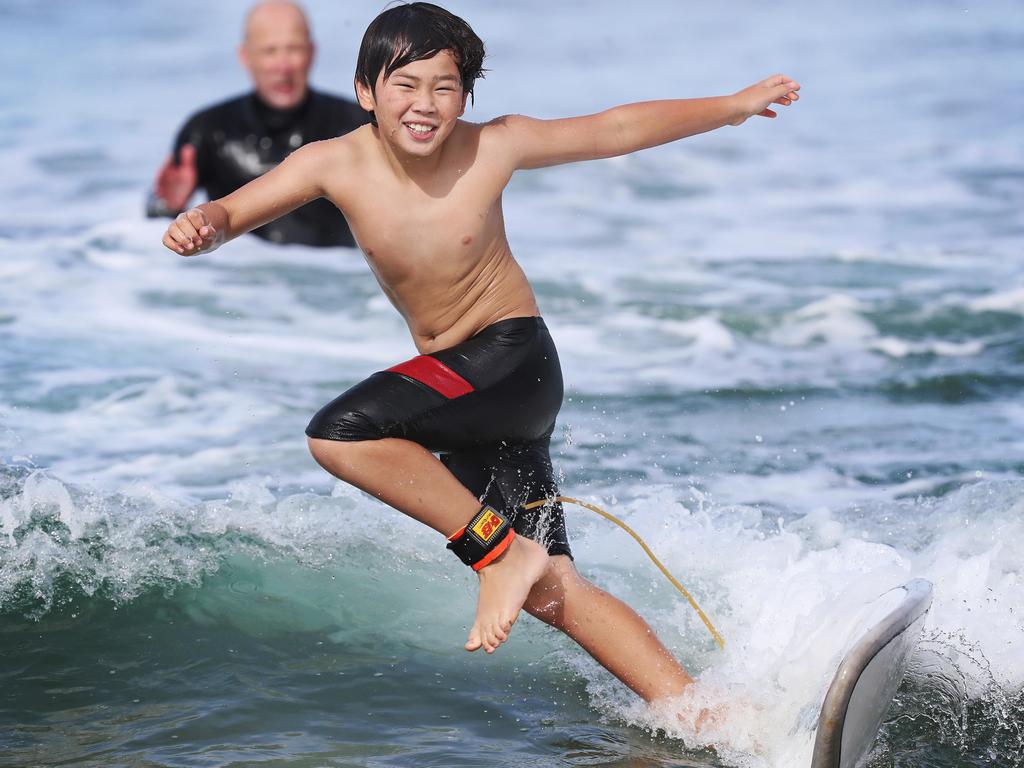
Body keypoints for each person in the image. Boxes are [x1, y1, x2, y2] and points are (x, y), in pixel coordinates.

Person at [161, 2, 799, 708]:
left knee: (341, 433)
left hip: (510, 360)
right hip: (465, 394)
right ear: (366, 91)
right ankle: (705, 714)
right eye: (405, 85)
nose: (426, 105)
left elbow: (614, 129)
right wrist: (204, 225)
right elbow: (237, 209)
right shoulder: (333, 162)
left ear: (465, 95)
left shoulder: (492, 146)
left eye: (446, 87)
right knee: (555, 591)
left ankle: (499, 554)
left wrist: (732, 107)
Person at [147, 0, 368, 247]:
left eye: (293, 49)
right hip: (239, 280)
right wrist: (169, 206)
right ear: (245, 56)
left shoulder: (355, 127)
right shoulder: (208, 131)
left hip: (338, 274)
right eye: (269, 51)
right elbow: (155, 231)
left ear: (311, 52)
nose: (282, 66)